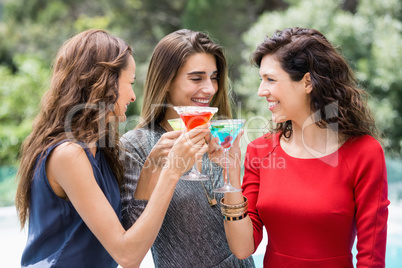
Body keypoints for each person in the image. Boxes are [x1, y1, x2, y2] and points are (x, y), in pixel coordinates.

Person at [15, 29, 210, 268]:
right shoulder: (68, 155)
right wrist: (171, 172)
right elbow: (128, 256)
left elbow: (128, 233)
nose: (132, 96)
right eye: (129, 83)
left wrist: (152, 168)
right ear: (104, 83)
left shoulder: (101, 151)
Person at [221, 27, 389, 267]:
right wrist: (230, 171)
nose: (261, 91)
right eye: (261, 80)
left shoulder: (364, 152)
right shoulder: (260, 150)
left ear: (307, 82)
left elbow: (371, 258)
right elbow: (243, 247)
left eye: (270, 79)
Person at [120, 29, 255, 267]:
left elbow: (243, 244)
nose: (210, 89)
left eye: (214, 77)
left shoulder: (220, 137)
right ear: (166, 82)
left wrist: (231, 174)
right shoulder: (137, 145)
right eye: (196, 78)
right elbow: (131, 238)